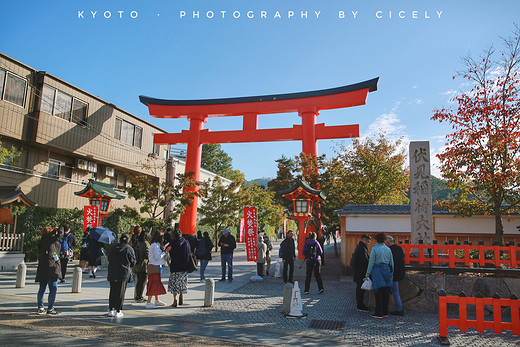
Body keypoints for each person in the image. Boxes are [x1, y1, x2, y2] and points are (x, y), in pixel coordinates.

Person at [365, 232, 394, 319]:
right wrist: (392, 273)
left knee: (378, 292)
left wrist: (367, 273)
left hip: (377, 269)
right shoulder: (388, 249)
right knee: (386, 292)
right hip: (387, 270)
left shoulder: (375, 249)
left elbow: (371, 262)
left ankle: (379, 312)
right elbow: (391, 262)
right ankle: (385, 312)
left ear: (376, 240)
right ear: (384, 240)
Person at [107, 233, 136, 318]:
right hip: (123, 272)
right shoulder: (129, 249)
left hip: (112, 271)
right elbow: (133, 262)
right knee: (121, 292)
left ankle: (111, 309)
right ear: (128, 240)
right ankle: (118, 310)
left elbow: (109, 258)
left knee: (113, 291)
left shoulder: (113, 248)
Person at [35, 226, 63, 315]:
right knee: (53, 289)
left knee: (42, 289)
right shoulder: (51, 241)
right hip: (51, 268)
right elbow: (60, 235)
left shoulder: (42, 241)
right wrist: (59, 228)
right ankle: (50, 308)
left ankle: (40, 307)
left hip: (42, 268)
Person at [167, 228, 191, 307]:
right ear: (181, 234)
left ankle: (175, 300)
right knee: (182, 283)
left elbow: (170, 253)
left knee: (175, 284)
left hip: (175, 266)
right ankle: (181, 297)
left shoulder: (173, 243)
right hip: (184, 266)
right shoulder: (186, 242)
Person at [145, 230, 167, 308]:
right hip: (154, 266)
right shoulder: (155, 245)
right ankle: (148, 302)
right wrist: (165, 252)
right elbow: (157, 257)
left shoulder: (156, 245)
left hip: (156, 266)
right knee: (153, 283)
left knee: (156, 283)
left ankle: (156, 299)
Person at [385, 235, 405, 316]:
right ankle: (398, 308)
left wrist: (391, 274)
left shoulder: (390, 250)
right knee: (395, 291)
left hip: (393, 274)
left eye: (386, 242)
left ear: (389, 242)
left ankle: (399, 309)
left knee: (395, 291)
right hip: (399, 273)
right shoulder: (399, 249)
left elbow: (392, 263)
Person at [351, 234, 371, 312]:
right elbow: (364, 261)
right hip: (361, 272)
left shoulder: (360, 247)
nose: (368, 243)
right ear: (364, 240)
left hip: (358, 271)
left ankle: (360, 305)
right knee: (360, 290)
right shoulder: (362, 248)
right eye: (368, 241)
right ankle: (360, 306)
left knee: (360, 289)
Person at [133, 230, 150, 303]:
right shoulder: (145, 243)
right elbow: (148, 254)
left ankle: (137, 296)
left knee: (138, 281)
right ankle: (140, 296)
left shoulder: (138, 243)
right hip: (143, 264)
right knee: (143, 281)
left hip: (137, 264)